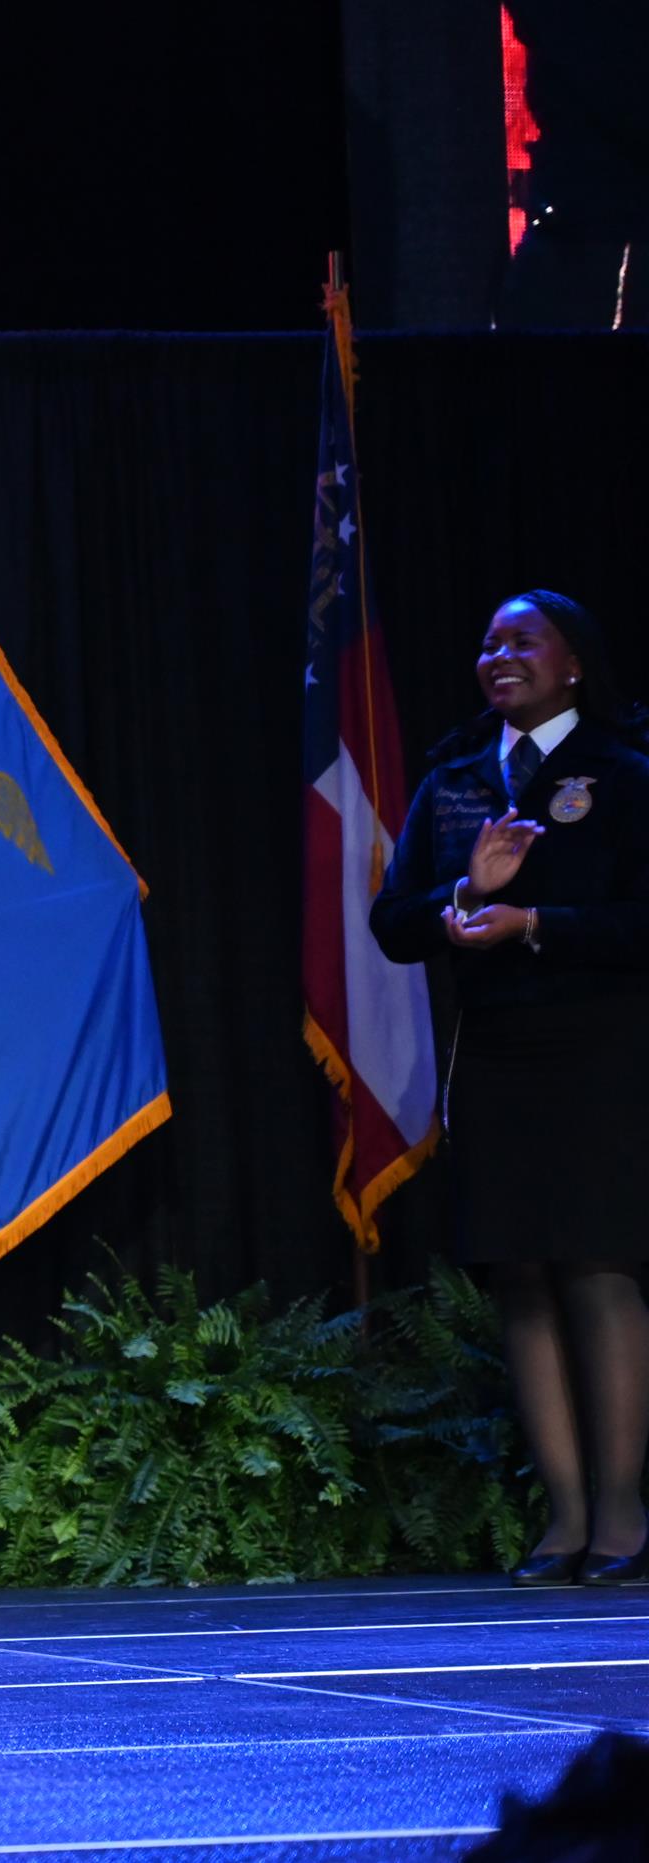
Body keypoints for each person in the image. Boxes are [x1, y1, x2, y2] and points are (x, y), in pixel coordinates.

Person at [371, 590, 649, 1588]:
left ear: (574, 662)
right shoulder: (454, 780)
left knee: (597, 1264)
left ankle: (621, 1514)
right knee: (520, 1273)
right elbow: (393, 921)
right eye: (488, 643)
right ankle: (563, 1518)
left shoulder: (623, 772)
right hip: (494, 1053)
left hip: (601, 1052)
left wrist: (535, 924)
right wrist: (464, 899)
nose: (499, 655)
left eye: (522, 640)